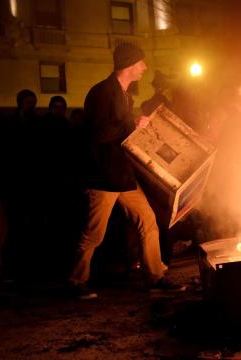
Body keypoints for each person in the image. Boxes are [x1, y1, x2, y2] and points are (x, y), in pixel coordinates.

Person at [67, 42, 185, 299]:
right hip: (103, 177)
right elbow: (99, 134)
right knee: (94, 233)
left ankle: (156, 277)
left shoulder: (124, 94)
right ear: (129, 64)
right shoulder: (101, 93)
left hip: (122, 175)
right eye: (140, 62)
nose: (144, 67)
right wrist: (131, 124)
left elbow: (123, 132)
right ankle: (76, 281)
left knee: (148, 221)